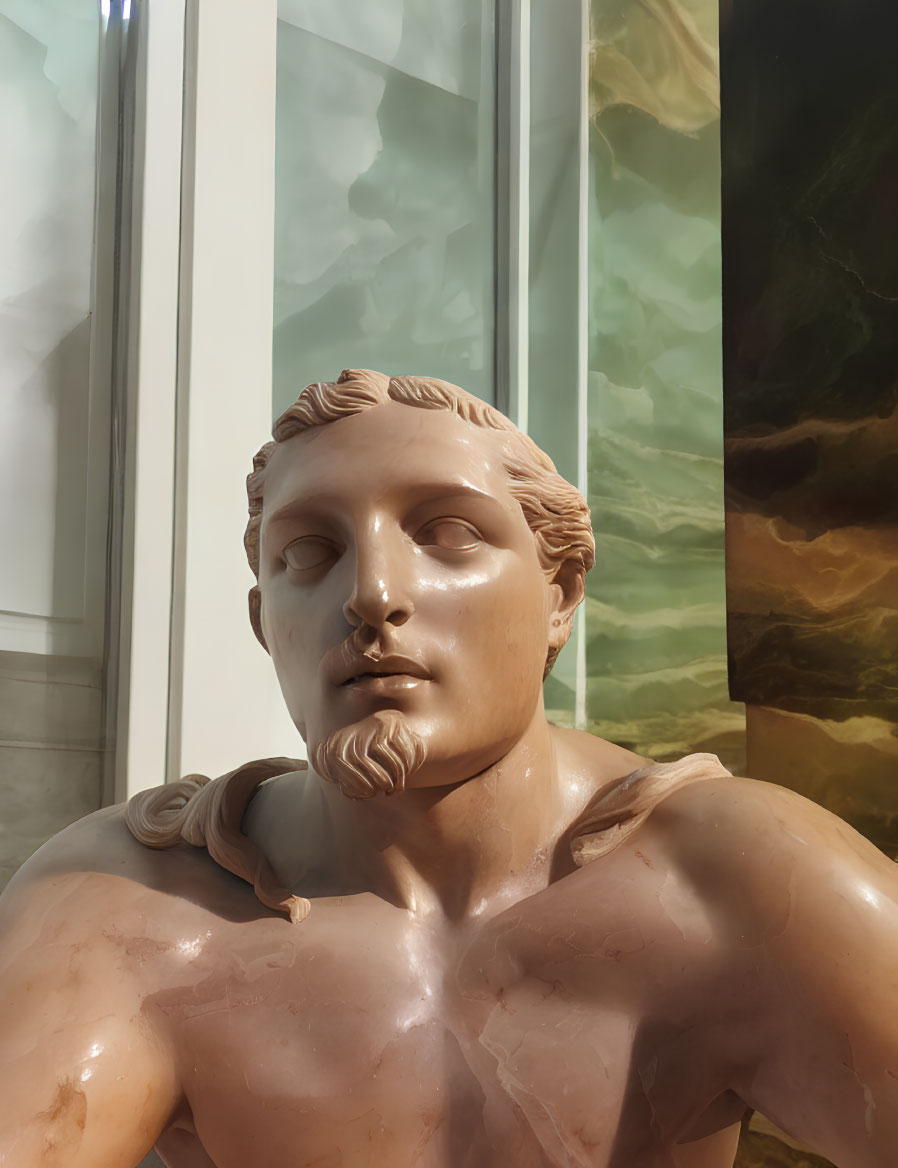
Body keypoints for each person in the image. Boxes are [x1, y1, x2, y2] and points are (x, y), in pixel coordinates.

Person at [1, 368, 896, 1168]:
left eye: (449, 532)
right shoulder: (133, 911)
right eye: (309, 552)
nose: (373, 593)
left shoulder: (735, 882)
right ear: (262, 620)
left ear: (561, 594)